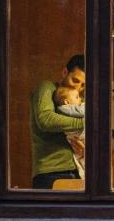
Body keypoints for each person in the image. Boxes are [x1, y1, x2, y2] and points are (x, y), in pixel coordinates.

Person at [30, 54, 85, 189]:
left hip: (76, 172)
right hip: (51, 173)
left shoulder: (78, 101)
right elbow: (46, 120)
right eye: (75, 81)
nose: (78, 88)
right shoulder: (47, 88)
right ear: (64, 72)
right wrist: (86, 123)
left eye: (83, 85)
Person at [53, 84, 86, 179]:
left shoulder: (67, 109)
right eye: (77, 97)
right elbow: (83, 112)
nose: (80, 99)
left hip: (77, 138)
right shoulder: (65, 108)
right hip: (78, 136)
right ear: (67, 102)